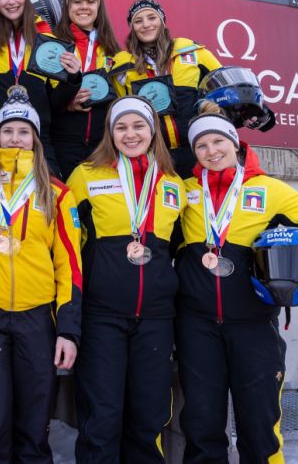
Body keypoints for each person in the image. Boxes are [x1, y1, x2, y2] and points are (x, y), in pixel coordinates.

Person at [176, 102, 298, 463]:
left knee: (260, 422)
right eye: (201, 146)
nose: (211, 151)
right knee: (200, 422)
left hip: (254, 326)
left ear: (235, 142)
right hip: (196, 326)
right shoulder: (183, 192)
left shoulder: (270, 189)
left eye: (218, 142)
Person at [0, 86, 83, 463]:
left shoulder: (58, 194)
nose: (16, 138)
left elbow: (70, 265)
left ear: (36, 138)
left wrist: (68, 329)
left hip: (36, 317)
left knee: (34, 424)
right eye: (8, 131)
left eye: (24, 131)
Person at [66, 96, 185, 463]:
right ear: (110, 132)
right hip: (103, 315)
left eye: (138, 126)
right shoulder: (86, 175)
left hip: (156, 317)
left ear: (153, 132)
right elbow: (70, 247)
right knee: (102, 414)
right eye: (121, 127)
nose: (130, 134)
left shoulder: (174, 183)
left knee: (148, 415)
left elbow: (182, 248)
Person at [0, 0, 82, 175]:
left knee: (50, 198)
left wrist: (73, 78)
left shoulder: (47, 39)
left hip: (37, 139)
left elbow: (55, 104)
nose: (11, 1)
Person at [110, 0, 222, 178]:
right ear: (132, 27)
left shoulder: (193, 52)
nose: (146, 25)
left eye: (151, 18)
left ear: (162, 21)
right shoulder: (123, 65)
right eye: (138, 21)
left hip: (198, 150)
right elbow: (120, 113)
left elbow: (226, 91)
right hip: (155, 155)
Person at [51, 0, 122, 178]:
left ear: (98, 7)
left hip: (102, 146)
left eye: (90, 1)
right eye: (77, 2)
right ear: (68, 7)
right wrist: (67, 104)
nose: (84, 7)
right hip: (63, 142)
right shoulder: (55, 46)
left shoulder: (113, 52)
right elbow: (43, 99)